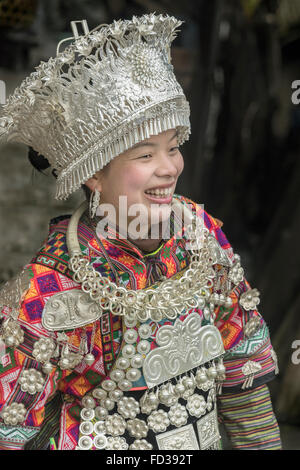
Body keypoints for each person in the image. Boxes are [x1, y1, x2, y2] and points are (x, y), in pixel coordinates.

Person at [0, 14, 281, 450]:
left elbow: (243, 373)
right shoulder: (48, 287)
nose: (169, 168)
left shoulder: (201, 236)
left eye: (173, 147)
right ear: (94, 175)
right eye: (146, 154)